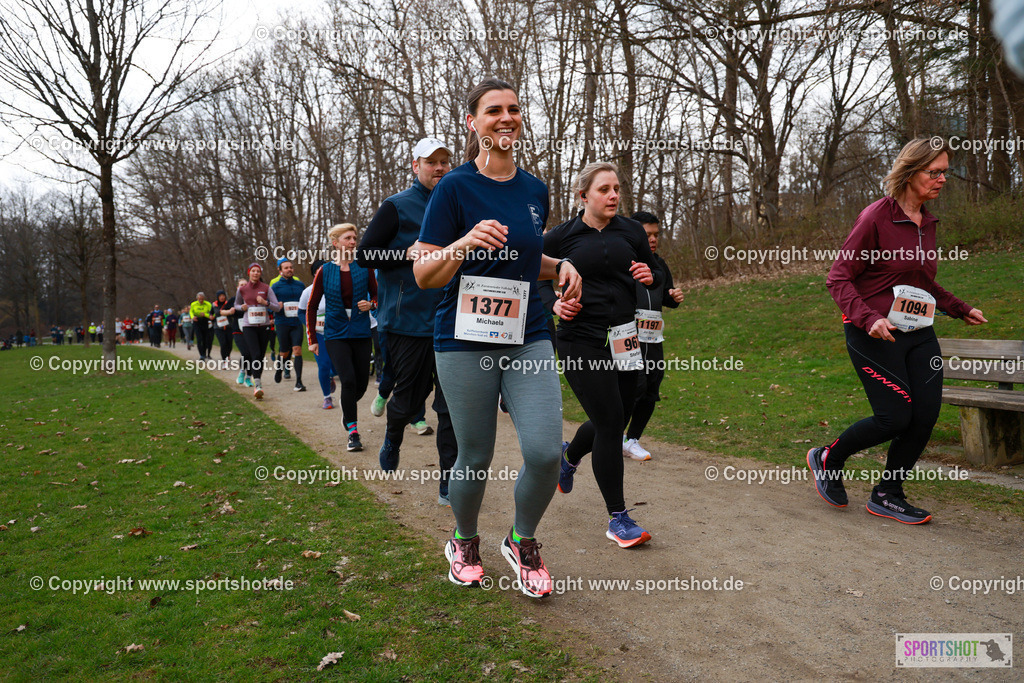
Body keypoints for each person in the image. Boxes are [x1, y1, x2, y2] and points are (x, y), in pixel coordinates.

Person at [411, 78, 582, 598]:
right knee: (476, 454)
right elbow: (423, 272)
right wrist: (462, 242)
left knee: (546, 452)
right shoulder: (453, 188)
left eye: (513, 110)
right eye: (493, 111)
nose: (505, 118)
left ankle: (522, 540)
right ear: (474, 123)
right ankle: (463, 540)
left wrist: (563, 266)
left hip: (528, 332)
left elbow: (529, 261)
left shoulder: (535, 189)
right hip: (463, 338)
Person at [808, 138, 987, 525]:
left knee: (925, 415)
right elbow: (838, 277)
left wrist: (960, 307)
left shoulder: (929, 222)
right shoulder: (876, 217)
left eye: (945, 172)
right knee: (894, 418)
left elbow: (923, 282)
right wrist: (867, 318)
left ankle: (888, 493)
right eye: (934, 172)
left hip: (919, 329)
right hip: (874, 332)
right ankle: (829, 458)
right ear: (910, 172)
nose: (942, 179)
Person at [542, 161, 660, 549]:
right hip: (580, 338)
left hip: (625, 336)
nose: (613, 195)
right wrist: (553, 307)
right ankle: (618, 518)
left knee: (615, 416)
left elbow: (655, 270)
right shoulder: (561, 236)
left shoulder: (630, 230)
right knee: (610, 424)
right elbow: (532, 279)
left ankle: (569, 456)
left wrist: (650, 275)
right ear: (583, 196)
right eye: (604, 189)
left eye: (616, 189)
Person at [356, 136, 457, 503]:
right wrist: (404, 251)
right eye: (432, 162)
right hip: (407, 322)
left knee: (450, 408)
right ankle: (393, 434)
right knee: (408, 398)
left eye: (445, 162)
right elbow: (366, 254)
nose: (440, 168)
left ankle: (450, 481)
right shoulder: (396, 206)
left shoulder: (459, 205)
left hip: (453, 322)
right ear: (416, 166)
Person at [306, 224, 377, 451]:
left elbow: (377, 295)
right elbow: (312, 306)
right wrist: (312, 339)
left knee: (362, 384)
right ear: (335, 243)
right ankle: (353, 433)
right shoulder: (324, 271)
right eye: (348, 238)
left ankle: (347, 410)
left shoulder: (364, 268)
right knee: (347, 380)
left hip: (360, 332)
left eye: (355, 238)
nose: (353, 242)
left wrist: (372, 304)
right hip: (335, 334)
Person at [622, 211, 684, 460]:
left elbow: (666, 296)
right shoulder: (622, 261)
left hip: (653, 338)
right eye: (647, 234)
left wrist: (675, 298)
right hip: (627, 338)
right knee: (632, 388)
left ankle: (632, 440)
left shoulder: (660, 264)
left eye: (656, 234)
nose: (653, 239)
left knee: (650, 389)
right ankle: (612, 435)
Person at [235, 264, 282, 399]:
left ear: (260, 273)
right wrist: (242, 307)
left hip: (264, 325)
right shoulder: (242, 289)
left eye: (258, 271)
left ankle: (257, 380)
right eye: (253, 271)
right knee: (255, 353)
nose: (256, 273)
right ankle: (257, 384)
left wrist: (265, 303)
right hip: (248, 325)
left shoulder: (266, 288)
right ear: (249, 273)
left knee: (260, 356)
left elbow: (277, 307)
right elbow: (236, 305)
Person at [299, 261, 339, 409]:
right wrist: (310, 325)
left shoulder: (336, 288)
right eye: (319, 271)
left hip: (336, 332)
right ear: (315, 273)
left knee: (336, 366)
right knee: (323, 365)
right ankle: (327, 398)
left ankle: (330, 375)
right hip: (318, 334)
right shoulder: (308, 291)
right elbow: (301, 312)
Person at [271, 258, 307, 392]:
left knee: (297, 350)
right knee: (284, 352)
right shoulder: (275, 287)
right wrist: (276, 307)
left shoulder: (300, 285)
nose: (289, 270)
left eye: (291, 267)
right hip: (282, 323)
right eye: (286, 268)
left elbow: (305, 303)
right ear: (280, 271)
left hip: (296, 323)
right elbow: (269, 306)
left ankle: (299, 382)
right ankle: (280, 368)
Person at [212, 291, 237, 365]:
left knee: (229, 344)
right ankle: (224, 360)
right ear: (218, 297)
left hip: (229, 326)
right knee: (223, 344)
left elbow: (233, 313)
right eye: (220, 296)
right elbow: (216, 312)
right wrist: (210, 316)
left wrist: (230, 312)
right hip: (218, 328)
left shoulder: (228, 303)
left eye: (223, 296)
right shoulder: (214, 304)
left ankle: (228, 355)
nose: (222, 297)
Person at [190, 292, 215, 360]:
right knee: (199, 339)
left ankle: (204, 353)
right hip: (197, 321)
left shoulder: (208, 304)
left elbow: (212, 314)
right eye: (199, 299)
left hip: (205, 321)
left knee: (205, 339)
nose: (201, 300)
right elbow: (191, 312)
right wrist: (192, 317)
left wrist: (205, 315)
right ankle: (202, 355)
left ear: (204, 298)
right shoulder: (193, 304)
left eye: (202, 299)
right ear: (197, 299)